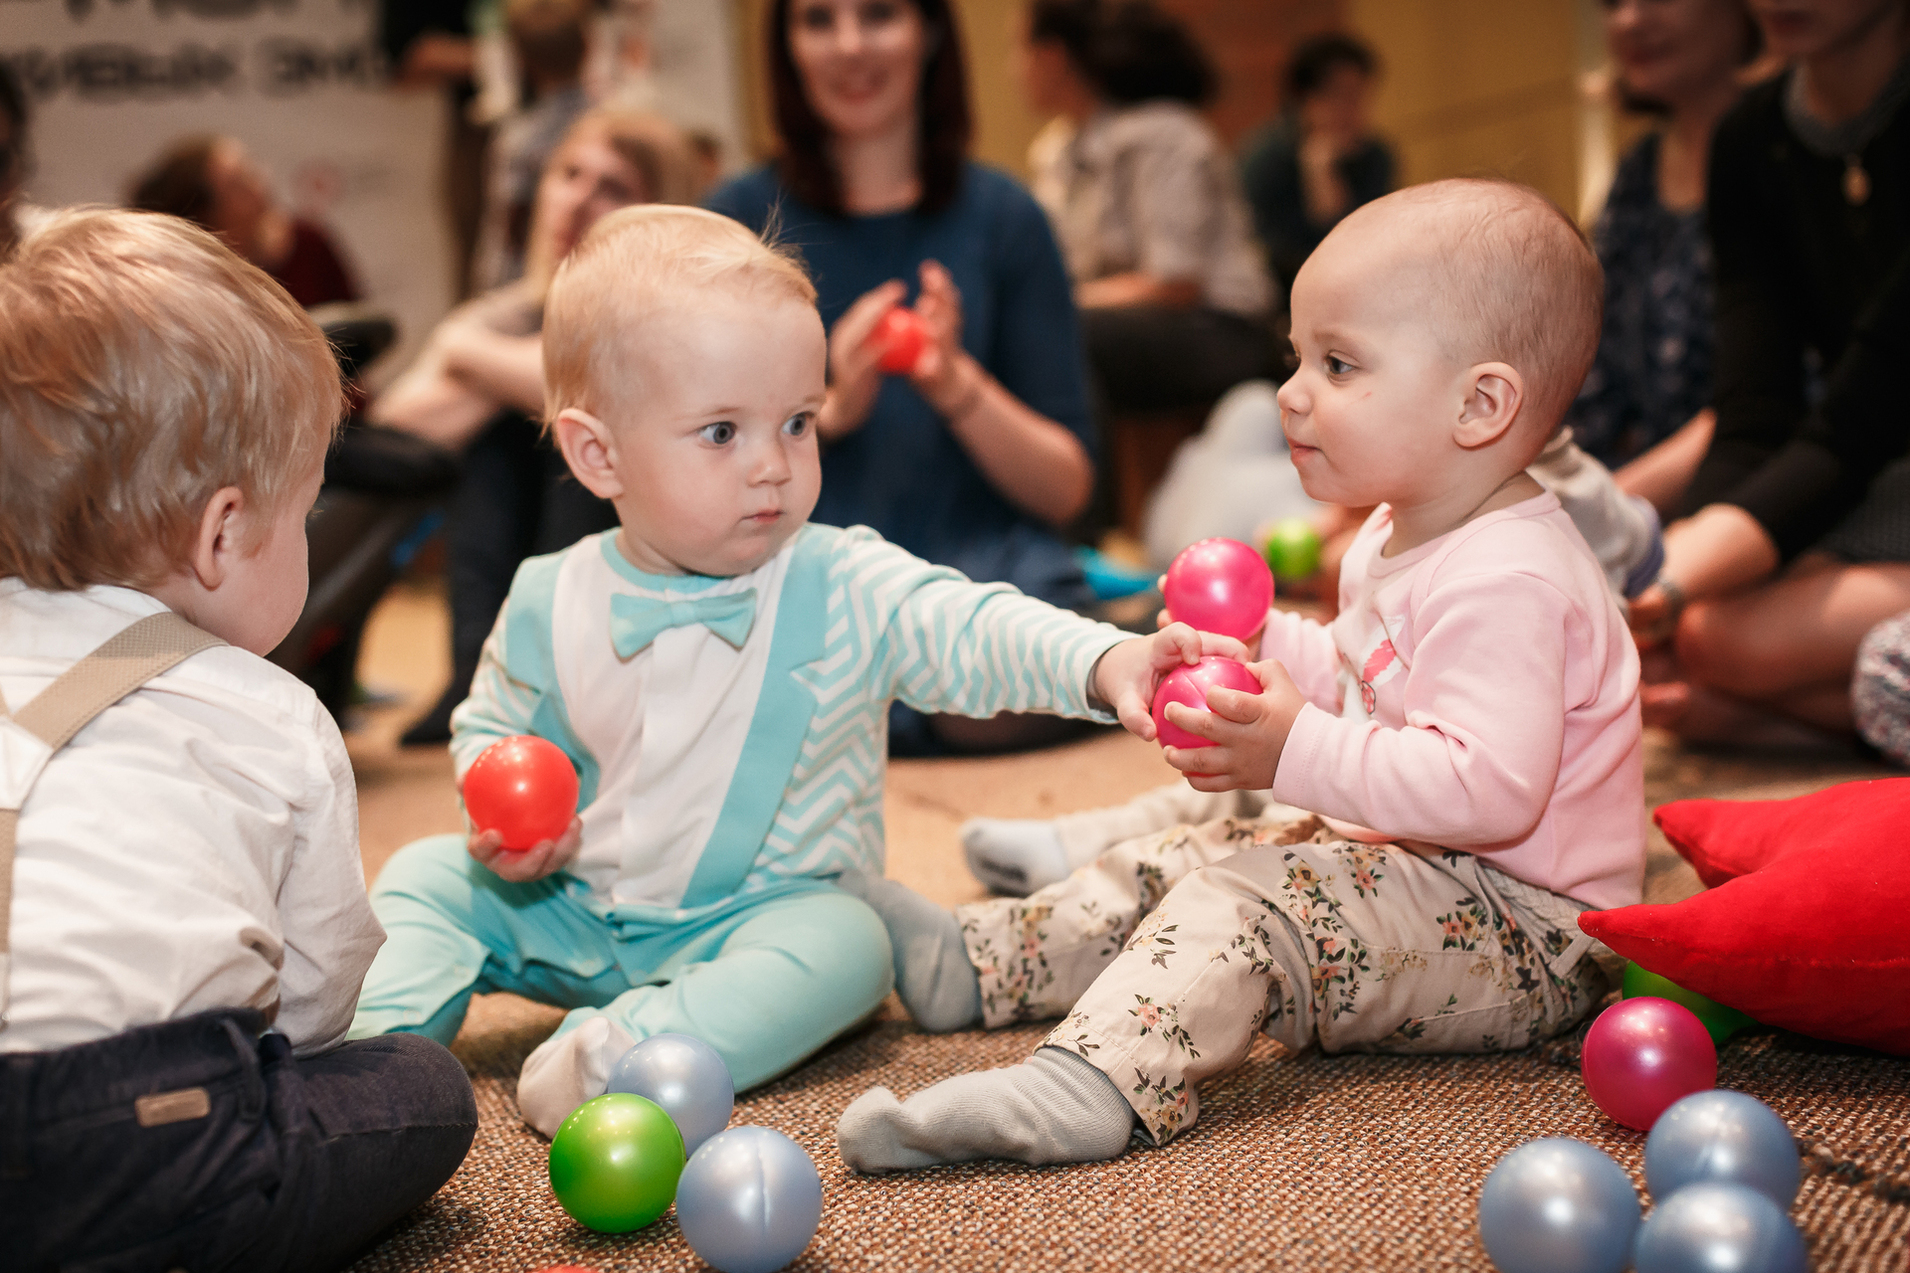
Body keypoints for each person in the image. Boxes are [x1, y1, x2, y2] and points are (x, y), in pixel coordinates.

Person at [346, 204, 1247, 1140]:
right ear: (597, 453)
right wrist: (499, 816)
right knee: (422, 876)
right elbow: (492, 727)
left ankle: (628, 1052)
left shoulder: (843, 578)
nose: (773, 466)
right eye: (722, 433)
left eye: (798, 422)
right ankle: (373, 1056)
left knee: (850, 947)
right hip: (562, 902)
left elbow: (972, 625)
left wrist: (1107, 658)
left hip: (753, 920)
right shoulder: (547, 593)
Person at [833, 179, 1644, 1170]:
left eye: (1338, 363)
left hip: (1523, 933)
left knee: (1252, 901)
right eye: (1295, 355)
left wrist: (1292, 745)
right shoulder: (1397, 528)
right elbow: (1364, 676)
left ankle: (1097, 1080)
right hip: (1426, 867)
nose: (1289, 393)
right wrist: (1262, 647)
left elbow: (1485, 791)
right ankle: (978, 965)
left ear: (1478, 404)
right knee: (1191, 855)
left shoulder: (1510, 580)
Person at [0, 210, 476, 1270]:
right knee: (422, 1088)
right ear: (222, 536)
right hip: (140, 1140)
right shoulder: (262, 708)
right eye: (303, 513)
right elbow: (310, 1004)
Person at [703, 0, 1102, 753]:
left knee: (984, 693)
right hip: (794, 569)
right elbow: (685, 463)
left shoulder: (1005, 216)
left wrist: (956, 386)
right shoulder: (735, 220)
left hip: (980, 567)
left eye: (879, 14)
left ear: (929, 35)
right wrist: (822, 412)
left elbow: (1067, 486)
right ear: (786, 46)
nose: (850, 46)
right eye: (818, 19)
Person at [1628, 0, 1910, 745]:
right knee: (1690, 643)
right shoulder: (1755, 137)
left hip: (1870, 458)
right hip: (1879, 478)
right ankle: (1814, 721)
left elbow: (1862, 413)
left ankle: (1793, 719)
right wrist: (1674, 582)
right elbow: (1754, 412)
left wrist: (1669, 578)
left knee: (1726, 639)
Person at [375, 107, 697, 745]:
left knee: (578, 433)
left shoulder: (685, 310)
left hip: (668, 596)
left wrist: (465, 354)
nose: (578, 201)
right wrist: (518, 382)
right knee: (502, 436)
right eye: (569, 174)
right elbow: (399, 428)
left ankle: (558, 688)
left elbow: (597, 393)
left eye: (614, 188)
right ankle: (483, 677)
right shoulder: (515, 308)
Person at [1021, 0, 1275, 416]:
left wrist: (1056, 301)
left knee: (1064, 334)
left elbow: (1175, 283)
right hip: (1138, 321)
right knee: (1021, 328)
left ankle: (1083, 480)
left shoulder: (1161, 131)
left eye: (1020, 49)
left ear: (1051, 56)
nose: (1013, 70)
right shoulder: (1059, 149)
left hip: (1222, 327)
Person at [1565, 0, 1760, 488]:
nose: (1629, 20)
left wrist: (1599, 514)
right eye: (1611, 4)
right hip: (1641, 495)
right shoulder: (1637, 172)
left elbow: (1773, 407)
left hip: (1761, 495)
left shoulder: (1777, 154)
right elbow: (1593, 385)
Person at [1238, 33, 1395, 297]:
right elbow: (1267, 255)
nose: (1351, 109)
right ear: (1305, 100)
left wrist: (1326, 177)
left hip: (1359, 290)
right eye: (1339, 95)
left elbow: (1370, 246)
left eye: (1359, 96)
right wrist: (1318, 171)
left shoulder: (1375, 155)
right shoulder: (1265, 159)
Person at [129, 136, 360, 309]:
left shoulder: (309, 240)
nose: (261, 182)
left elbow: (357, 329)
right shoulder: (189, 282)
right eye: (240, 183)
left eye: (252, 168)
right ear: (208, 215)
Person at [470, 0, 596, 292]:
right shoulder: (618, 123)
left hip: (534, 283)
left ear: (519, 59)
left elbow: (510, 230)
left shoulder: (518, 141)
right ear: (589, 44)